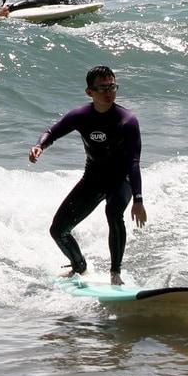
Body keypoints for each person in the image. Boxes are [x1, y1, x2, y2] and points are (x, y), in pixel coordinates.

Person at [28, 65, 147, 284]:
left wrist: (138, 199)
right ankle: (79, 267)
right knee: (58, 230)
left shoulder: (127, 120)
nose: (109, 92)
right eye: (102, 88)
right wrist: (40, 146)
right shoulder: (81, 116)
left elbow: (134, 162)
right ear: (89, 92)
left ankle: (115, 274)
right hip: (93, 179)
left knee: (113, 212)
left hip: (122, 180)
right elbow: (52, 132)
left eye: (112, 86)